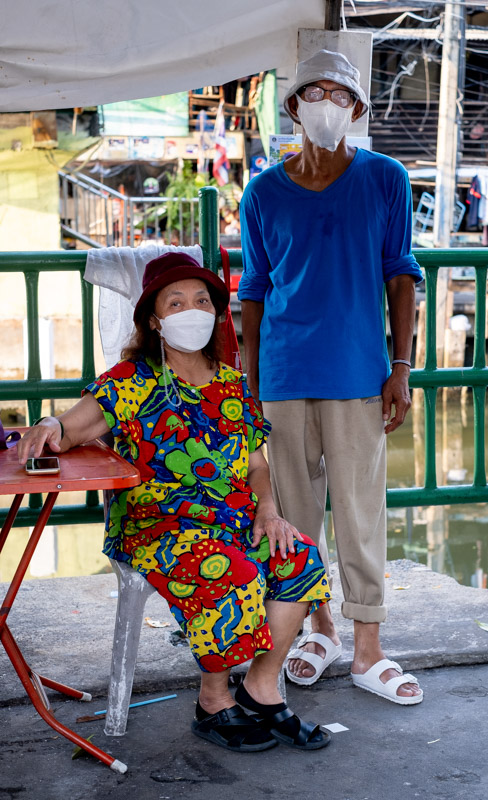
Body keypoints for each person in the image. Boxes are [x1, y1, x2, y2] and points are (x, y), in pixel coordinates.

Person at [18, 252, 332, 751]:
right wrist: (52, 426)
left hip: (233, 521)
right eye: (177, 301)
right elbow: (75, 424)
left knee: (300, 558)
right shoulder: (132, 380)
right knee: (232, 571)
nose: (192, 310)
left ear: (214, 313)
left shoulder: (232, 384)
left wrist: (269, 511)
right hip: (156, 528)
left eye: (202, 300)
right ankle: (213, 701)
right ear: (155, 320)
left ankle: (259, 689)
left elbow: (255, 464)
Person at [238, 49, 424, 705]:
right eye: (312, 92)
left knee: (361, 516)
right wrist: (247, 378)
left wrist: (400, 366)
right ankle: (318, 630)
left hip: (358, 375)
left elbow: (401, 275)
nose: (325, 103)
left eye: (339, 94)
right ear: (292, 107)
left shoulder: (385, 178)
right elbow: (254, 292)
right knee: (294, 517)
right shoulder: (262, 192)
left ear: (356, 109)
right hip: (283, 379)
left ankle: (368, 649)